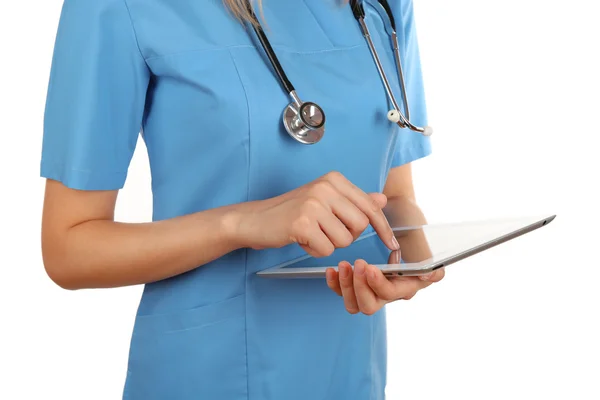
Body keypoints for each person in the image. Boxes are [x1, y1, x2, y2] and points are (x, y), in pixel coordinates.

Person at [40, 0, 444, 398]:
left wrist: (411, 261)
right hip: (212, 371)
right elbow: (67, 248)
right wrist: (239, 224)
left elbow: (393, 196)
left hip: (350, 367)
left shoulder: (386, 5)